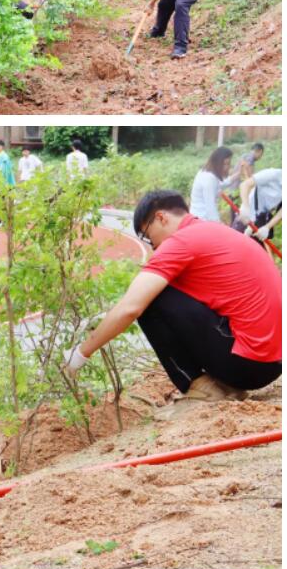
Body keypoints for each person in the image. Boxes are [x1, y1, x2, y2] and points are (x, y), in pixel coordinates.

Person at [65, 190, 281, 404]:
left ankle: (200, 387)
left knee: (152, 302)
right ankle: (227, 384)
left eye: (148, 236)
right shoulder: (215, 231)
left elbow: (131, 307)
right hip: (275, 362)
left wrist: (79, 356)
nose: (153, 246)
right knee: (163, 291)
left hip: (250, 365)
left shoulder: (180, 242)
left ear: (161, 217)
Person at [189, 146, 241, 222]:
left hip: (199, 218)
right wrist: (219, 227)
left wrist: (237, 175)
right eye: (225, 164)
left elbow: (220, 184)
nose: (228, 167)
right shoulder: (209, 178)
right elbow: (211, 209)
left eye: (229, 163)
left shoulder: (206, 172)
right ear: (217, 163)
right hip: (202, 221)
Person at [235, 169, 282, 247]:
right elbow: (245, 185)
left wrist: (267, 227)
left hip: (261, 222)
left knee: (253, 254)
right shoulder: (273, 174)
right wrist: (245, 206)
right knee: (235, 246)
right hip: (246, 216)